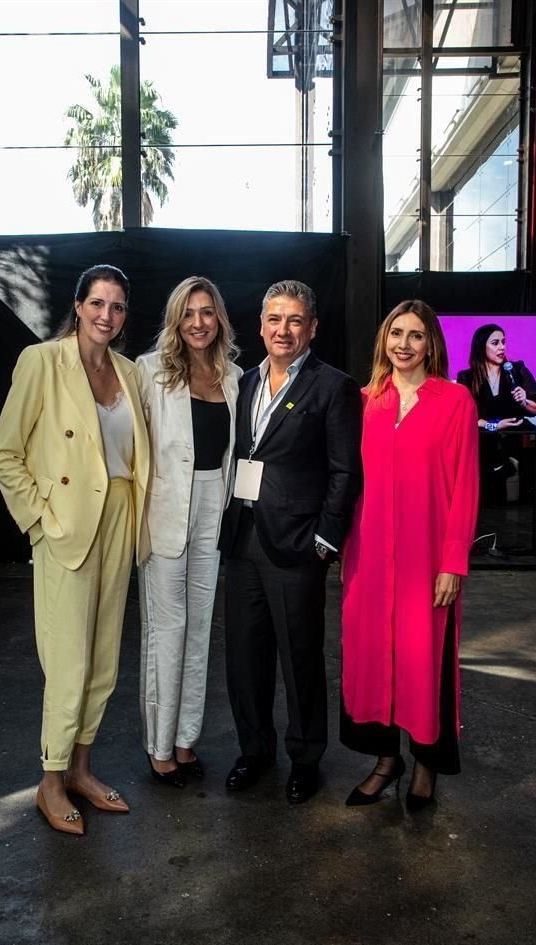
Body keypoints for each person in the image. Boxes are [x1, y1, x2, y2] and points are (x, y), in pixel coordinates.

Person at [0, 264, 150, 835]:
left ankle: (82, 768)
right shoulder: (42, 361)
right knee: (67, 659)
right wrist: (40, 521)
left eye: (118, 306)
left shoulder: (131, 373)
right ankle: (51, 778)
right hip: (67, 524)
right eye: (98, 303)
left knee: (104, 656)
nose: (107, 315)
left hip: (119, 520)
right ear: (79, 307)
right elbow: (4, 453)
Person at [220, 280, 363, 805]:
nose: (284, 330)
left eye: (295, 320)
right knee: (244, 657)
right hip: (242, 540)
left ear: (313, 328)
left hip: (298, 545)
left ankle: (305, 758)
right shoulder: (245, 382)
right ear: (261, 326)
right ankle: (254, 751)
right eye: (275, 319)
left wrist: (324, 541)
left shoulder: (333, 387)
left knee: (299, 659)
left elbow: (346, 471)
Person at [341, 300, 479, 811]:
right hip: (370, 556)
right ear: (384, 341)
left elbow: (464, 487)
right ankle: (385, 760)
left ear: (431, 344)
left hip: (427, 559)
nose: (404, 344)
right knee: (373, 659)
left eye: (415, 335)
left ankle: (425, 764)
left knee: (426, 661)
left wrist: (453, 562)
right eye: (395, 333)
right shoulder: (363, 402)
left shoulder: (455, 401)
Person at [135, 276, 242, 787]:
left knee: (200, 630)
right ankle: (159, 749)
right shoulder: (150, 371)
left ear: (219, 317)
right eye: (189, 313)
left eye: (207, 312)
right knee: (167, 631)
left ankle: (185, 740)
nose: (198, 322)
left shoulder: (237, 376)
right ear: (176, 320)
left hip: (213, 509)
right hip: (165, 511)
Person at [456, 323, 536, 504]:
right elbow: (463, 416)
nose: (502, 347)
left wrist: (525, 401)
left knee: (524, 440)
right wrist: (494, 426)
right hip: (483, 434)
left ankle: (526, 492)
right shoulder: (467, 377)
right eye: (495, 343)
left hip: (516, 433)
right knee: (481, 443)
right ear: (482, 347)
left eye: (503, 342)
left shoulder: (517, 370)